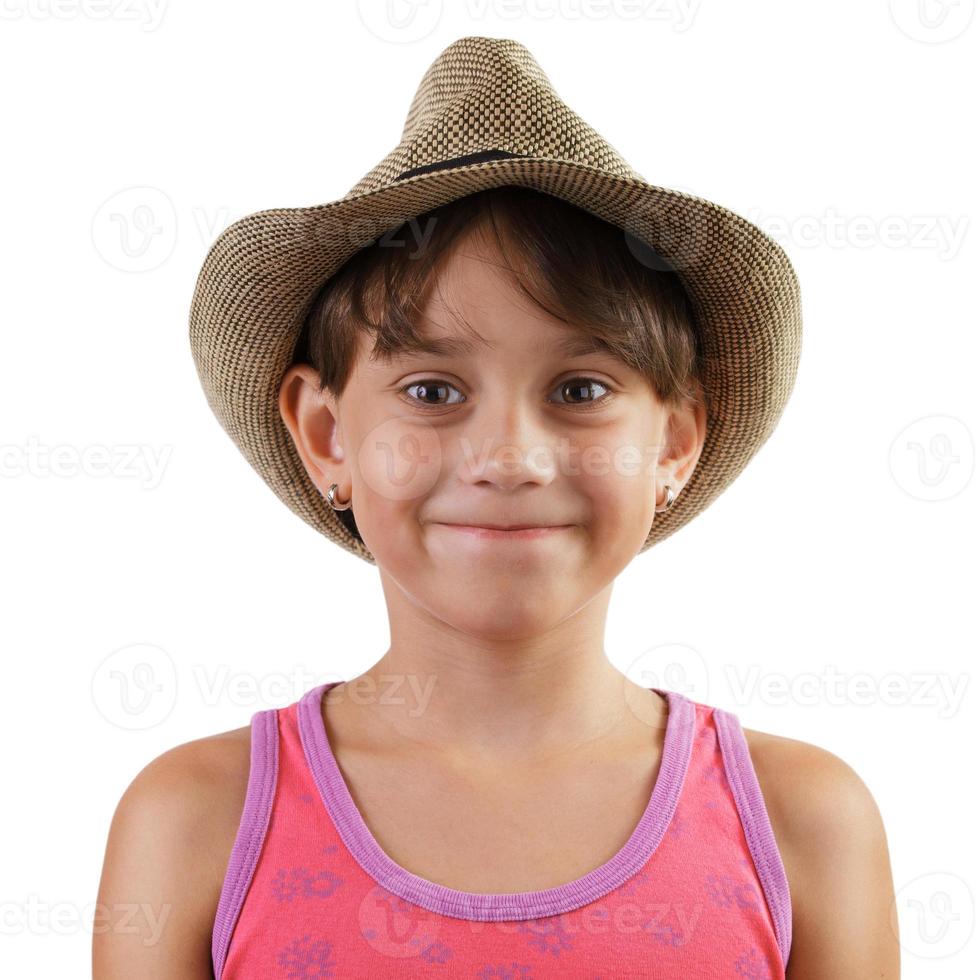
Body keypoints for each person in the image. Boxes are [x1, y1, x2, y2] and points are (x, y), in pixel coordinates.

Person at [94, 36, 900, 979]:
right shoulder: (201, 822)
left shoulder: (804, 822)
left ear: (675, 442)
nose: (509, 458)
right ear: (326, 436)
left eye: (582, 389)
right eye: (433, 391)